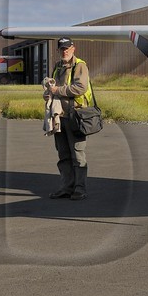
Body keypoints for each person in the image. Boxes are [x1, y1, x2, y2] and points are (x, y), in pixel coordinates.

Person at [43, 37, 94, 200]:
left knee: (78, 154)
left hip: (75, 116)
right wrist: (49, 93)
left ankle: (80, 189)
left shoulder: (80, 66)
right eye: (62, 49)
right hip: (59, 117)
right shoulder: (58, 67)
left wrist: (57, 90)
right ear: (58, 50)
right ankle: (66, 187)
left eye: (67, 48)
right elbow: (54, 88)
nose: (64, 51)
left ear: (73, 48)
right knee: (63, 154)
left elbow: (80, 87)